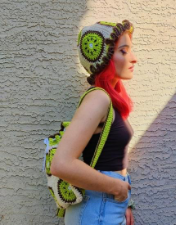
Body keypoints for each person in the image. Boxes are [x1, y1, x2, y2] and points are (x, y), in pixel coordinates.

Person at [51, 20, 137, 225]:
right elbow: (61, 164)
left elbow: (115, 158)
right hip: (97, 209)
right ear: (105, 58)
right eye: (123, 51)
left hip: (106, 207)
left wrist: (126, 202)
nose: (134, 59)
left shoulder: (111, 100)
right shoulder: (99, 98)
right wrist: (118, 188)